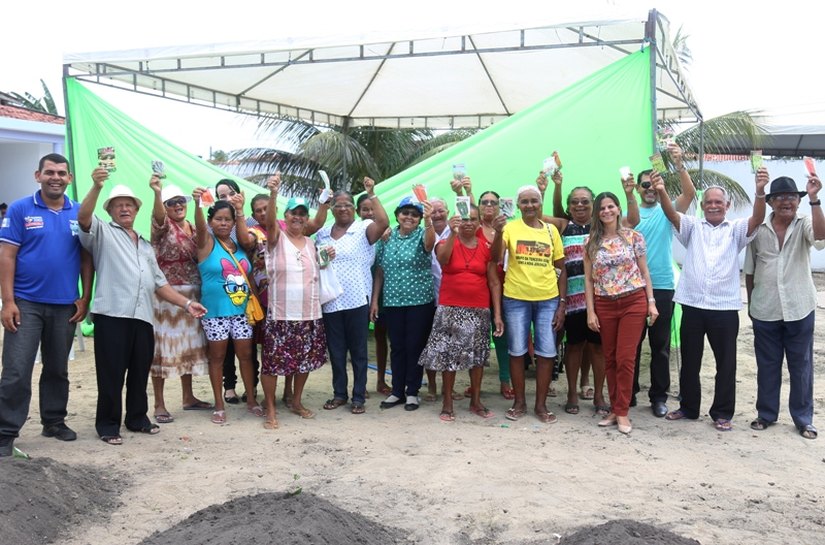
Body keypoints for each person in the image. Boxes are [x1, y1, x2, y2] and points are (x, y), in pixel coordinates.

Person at [78, 170, 206, 445]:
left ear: (136, 210)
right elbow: (83, 218)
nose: (124, 208)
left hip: (143, 316)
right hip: (112, 314)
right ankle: (108, 425)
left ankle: (137, 418)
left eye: (129, 204)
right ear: (110, 210)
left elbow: (160, 284)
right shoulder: (102, 231)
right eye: (118, 204)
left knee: (139, 371)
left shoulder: (145, 245)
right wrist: (97, 186)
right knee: (111, 373)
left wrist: (187, 303)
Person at [0, 154, 93, 457]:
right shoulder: (19, 209)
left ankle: (53, 421)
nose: (56, 177)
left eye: (61, 173)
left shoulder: (79, 212)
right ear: (37, 175)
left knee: (57, 368)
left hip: (65, 304)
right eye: (49, 172)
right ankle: (5, 432)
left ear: (70, 178)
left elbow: (86, 258)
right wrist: (8, 301)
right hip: (25, 304)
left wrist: (85, 297)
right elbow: (7, 256)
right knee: (16, 369)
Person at [662, 169, 768, 431]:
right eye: (708, 201)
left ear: (727, 206)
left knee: (726, 363)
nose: (713, 206)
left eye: (718, 202)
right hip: (693, 305)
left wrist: (759, 190)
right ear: (702, 205)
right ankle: (688, 407)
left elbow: (757, 218)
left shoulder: (736, 230)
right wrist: (662, 189)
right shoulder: (692, 227)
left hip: (724, 307)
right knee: (690, 360)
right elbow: (671, 214)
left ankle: (722, 413)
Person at [745, 173, 824, 440]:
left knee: (800, 366)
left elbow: (821, 240)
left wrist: (815, 200)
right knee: (767, 364)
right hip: (765, 308)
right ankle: (766, 414)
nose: (786, 202)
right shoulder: (759, 229)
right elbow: (750, 268)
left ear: (798, 201)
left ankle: (803, 419)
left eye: (791, 197)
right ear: (771, 203)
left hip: (799, 307)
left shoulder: (804, 223)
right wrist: (752, 302)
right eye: (780, 197)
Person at [624, 143, 696, 417]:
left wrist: (679, 164)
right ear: (638, 188)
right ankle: (628, 394)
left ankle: (658, 397)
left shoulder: (667, 211)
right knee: (630, 344)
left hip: (663, 285)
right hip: (632, 287)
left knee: (660, 347)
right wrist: (627, 194)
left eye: (653, 184)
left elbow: (689, 194)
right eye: (645, 185)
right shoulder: (628, 214)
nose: (649, 189)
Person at [419, 206, 504, 421]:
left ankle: (475, 401)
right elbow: (443, 260)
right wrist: (453, 232)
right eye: (464, 218)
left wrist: (497, 315)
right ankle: (447, 403)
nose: (468, 223)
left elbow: (494, 281)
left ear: (479, 223)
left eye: (473, 219)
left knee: (477, 357)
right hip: (450, 308)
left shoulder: (485, 246)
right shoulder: (446, 242)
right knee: (449, 357)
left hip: (479, 309)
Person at [584, 192, 658, 435]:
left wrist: (651, 302)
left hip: (632, 301)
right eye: (601, 208)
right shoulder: (591, 242)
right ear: (597, 213)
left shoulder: (633, 237)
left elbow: (645, 272)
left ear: (618, 209)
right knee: (611, 358)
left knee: (626, 359)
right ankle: (615, 408)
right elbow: (588, 279)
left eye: (610, 206)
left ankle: (623, 411)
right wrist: (591, 312)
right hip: (604, 304)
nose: (606, 211)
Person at [260, 175, 330, 427]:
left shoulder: (312, 243)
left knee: (304, 362)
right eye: (293, 213)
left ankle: (297, 401)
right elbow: (269, 222)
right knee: (271, 364)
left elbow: (319, 271)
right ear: (285, 216)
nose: (298, 217)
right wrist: (273, 195)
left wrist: (327, 258)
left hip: (309, 314)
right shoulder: (275, 239)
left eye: (302, 213)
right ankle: (270, 408)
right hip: (280, 315)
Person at [316, 178, 389, 414]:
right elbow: (318, 263)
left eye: (348, 204)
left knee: (358, 351)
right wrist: (324, 256)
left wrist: (372, 193)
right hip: (331, 301)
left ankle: (358, 396)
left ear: (354, 209)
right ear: (333, 208)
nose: (344, 208)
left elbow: (384, 221)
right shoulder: (323, 233)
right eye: (338, 205)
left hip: (357, 299)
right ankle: (339, 394)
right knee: (336, 351)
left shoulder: (363, 228)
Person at [539, 171, 608, 416]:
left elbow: (632, 219)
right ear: (568, 206)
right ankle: (571, 392)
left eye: (585, 201)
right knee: (574, 347)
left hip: (599, 300)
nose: (579, 205)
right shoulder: (563, 226)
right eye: (574, 202)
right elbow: (536, 214)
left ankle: (599, 394)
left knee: (598, 349)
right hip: (571, 300)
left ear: (594, 204)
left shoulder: (604, 226)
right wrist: (546, 189)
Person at [192, 190, 260, 425]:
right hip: (215, 313)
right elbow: (200, 228)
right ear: (211, 221)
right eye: (218, 219)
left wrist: (239, 211)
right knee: (218, 358)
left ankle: (251, 399)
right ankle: (219, 405)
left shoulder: (239, 245)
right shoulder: (206, 242)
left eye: (227, 219)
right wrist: (197, 204)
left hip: (241, 312)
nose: (223, 223)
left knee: (246, 356)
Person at [500, 185, 566, 423]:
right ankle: (519, 403)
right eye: (524, 202)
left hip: (548, 299)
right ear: (518, 206)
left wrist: (561, 304)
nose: (529, 206)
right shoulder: (509, 228)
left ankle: (541, 405)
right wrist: (498, 232)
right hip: (516, 298)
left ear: (540, 204)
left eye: (533, 201)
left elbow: (561, 267)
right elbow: (496, 258)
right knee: (516, 351)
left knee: (547, 353)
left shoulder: (551, 231)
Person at [148, 178, 211, 424]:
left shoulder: (194, 228)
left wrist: (197, 204)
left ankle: (188, 397)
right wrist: (157, 193)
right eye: (171, 203)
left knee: (188, 348)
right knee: (162, 350)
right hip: (167, 295)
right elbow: (158, 217)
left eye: (180, 201)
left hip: (193, 294)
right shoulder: (162, 227)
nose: (177, 206)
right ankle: (159, 404)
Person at [371, 196, 435, 412]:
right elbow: (379, 271)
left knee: (415, 346)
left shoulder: (422, 234)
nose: (409, 217)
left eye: (414, 214)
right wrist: (375, 301)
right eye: (405, 213)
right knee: (396, 346)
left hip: (419, 301)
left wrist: (428, 221)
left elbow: (429, 244)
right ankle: (397, 390)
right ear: (397, 215)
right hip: (392, 301)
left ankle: (412, 392)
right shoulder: (386, 238)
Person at [474, 190, 512, 399]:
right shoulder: (473, 227)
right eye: (484, 202)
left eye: (493, 202)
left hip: (505, 287)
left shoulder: (509, 228)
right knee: (478, 338)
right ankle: (475, 384)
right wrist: (464, 191)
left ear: (499, 206)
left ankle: (505, 380)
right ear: (478, 206)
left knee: (502, 336)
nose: (489, 205)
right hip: (479, 288)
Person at [357, 194, 391, 395]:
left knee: (381, 336)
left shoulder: (386, 235)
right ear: (357, 212)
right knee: (358, 340)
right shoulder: (351, 233)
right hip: (359, 292)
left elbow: (381, 268)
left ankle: (381, 380)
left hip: (382, 293)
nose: (369, 213)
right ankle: (358, 383)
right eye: (364, 209)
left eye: (372, 209)